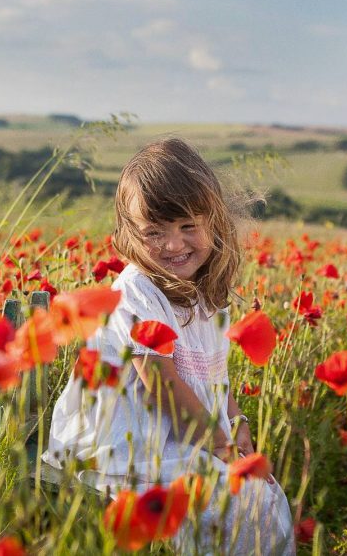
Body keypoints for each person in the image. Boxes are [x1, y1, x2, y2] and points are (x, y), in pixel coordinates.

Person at [44, 138, 295, 555]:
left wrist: (236, 424)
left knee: (265, 495)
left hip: (180, 436)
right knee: (239, 502)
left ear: (213, 221)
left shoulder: (206, 295)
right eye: (154, 233)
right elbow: (162, 387)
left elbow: (215, 378)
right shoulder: (138, 291)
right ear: (131, 235)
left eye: (187, 227)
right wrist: (220, 446)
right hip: (127, 449)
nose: (174, 245)